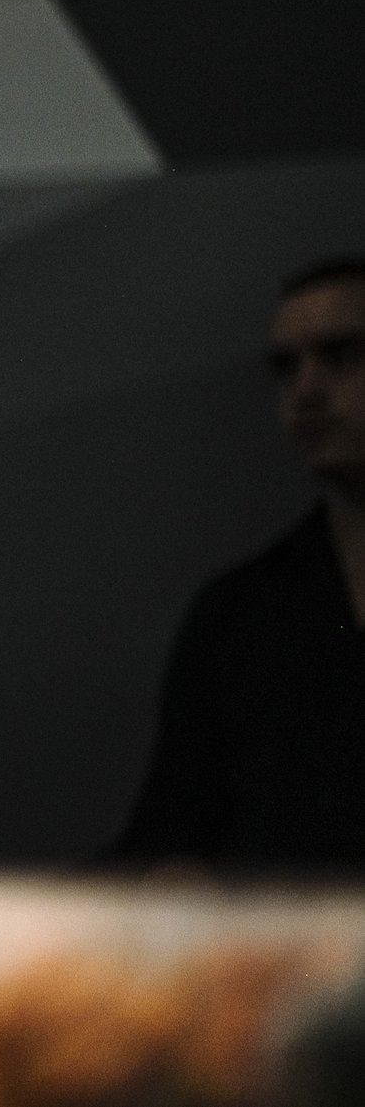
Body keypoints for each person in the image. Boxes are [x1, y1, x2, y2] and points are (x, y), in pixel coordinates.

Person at [112, 258, 365, 868]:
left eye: (341, 356)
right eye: (286, 367)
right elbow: (171, 834)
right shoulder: (241, 612)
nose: (305, 389)